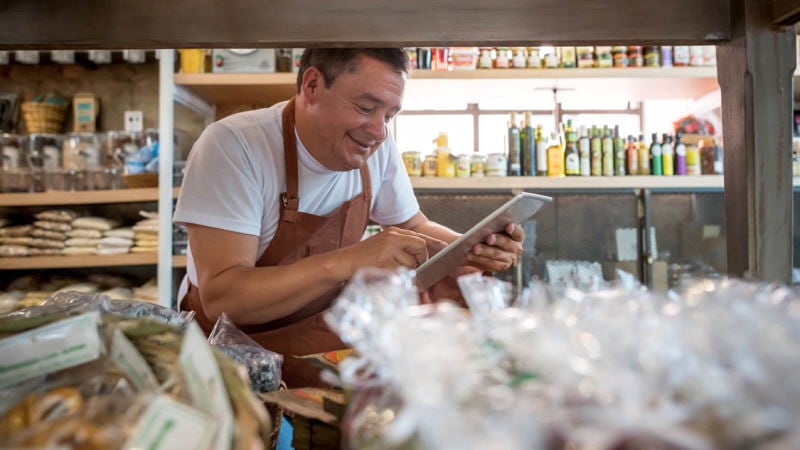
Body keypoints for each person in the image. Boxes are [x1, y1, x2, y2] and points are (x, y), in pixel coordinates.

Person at [175, 48, 524, 387]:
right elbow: (225, 299)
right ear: (312, 86)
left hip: (315, 347)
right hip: (230, 361)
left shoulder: (377, 148)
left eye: (388, 116)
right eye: (365, 107)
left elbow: (413, 226)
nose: (379, 132)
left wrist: (475, 246)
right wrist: (350, 260)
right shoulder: (235, 145)